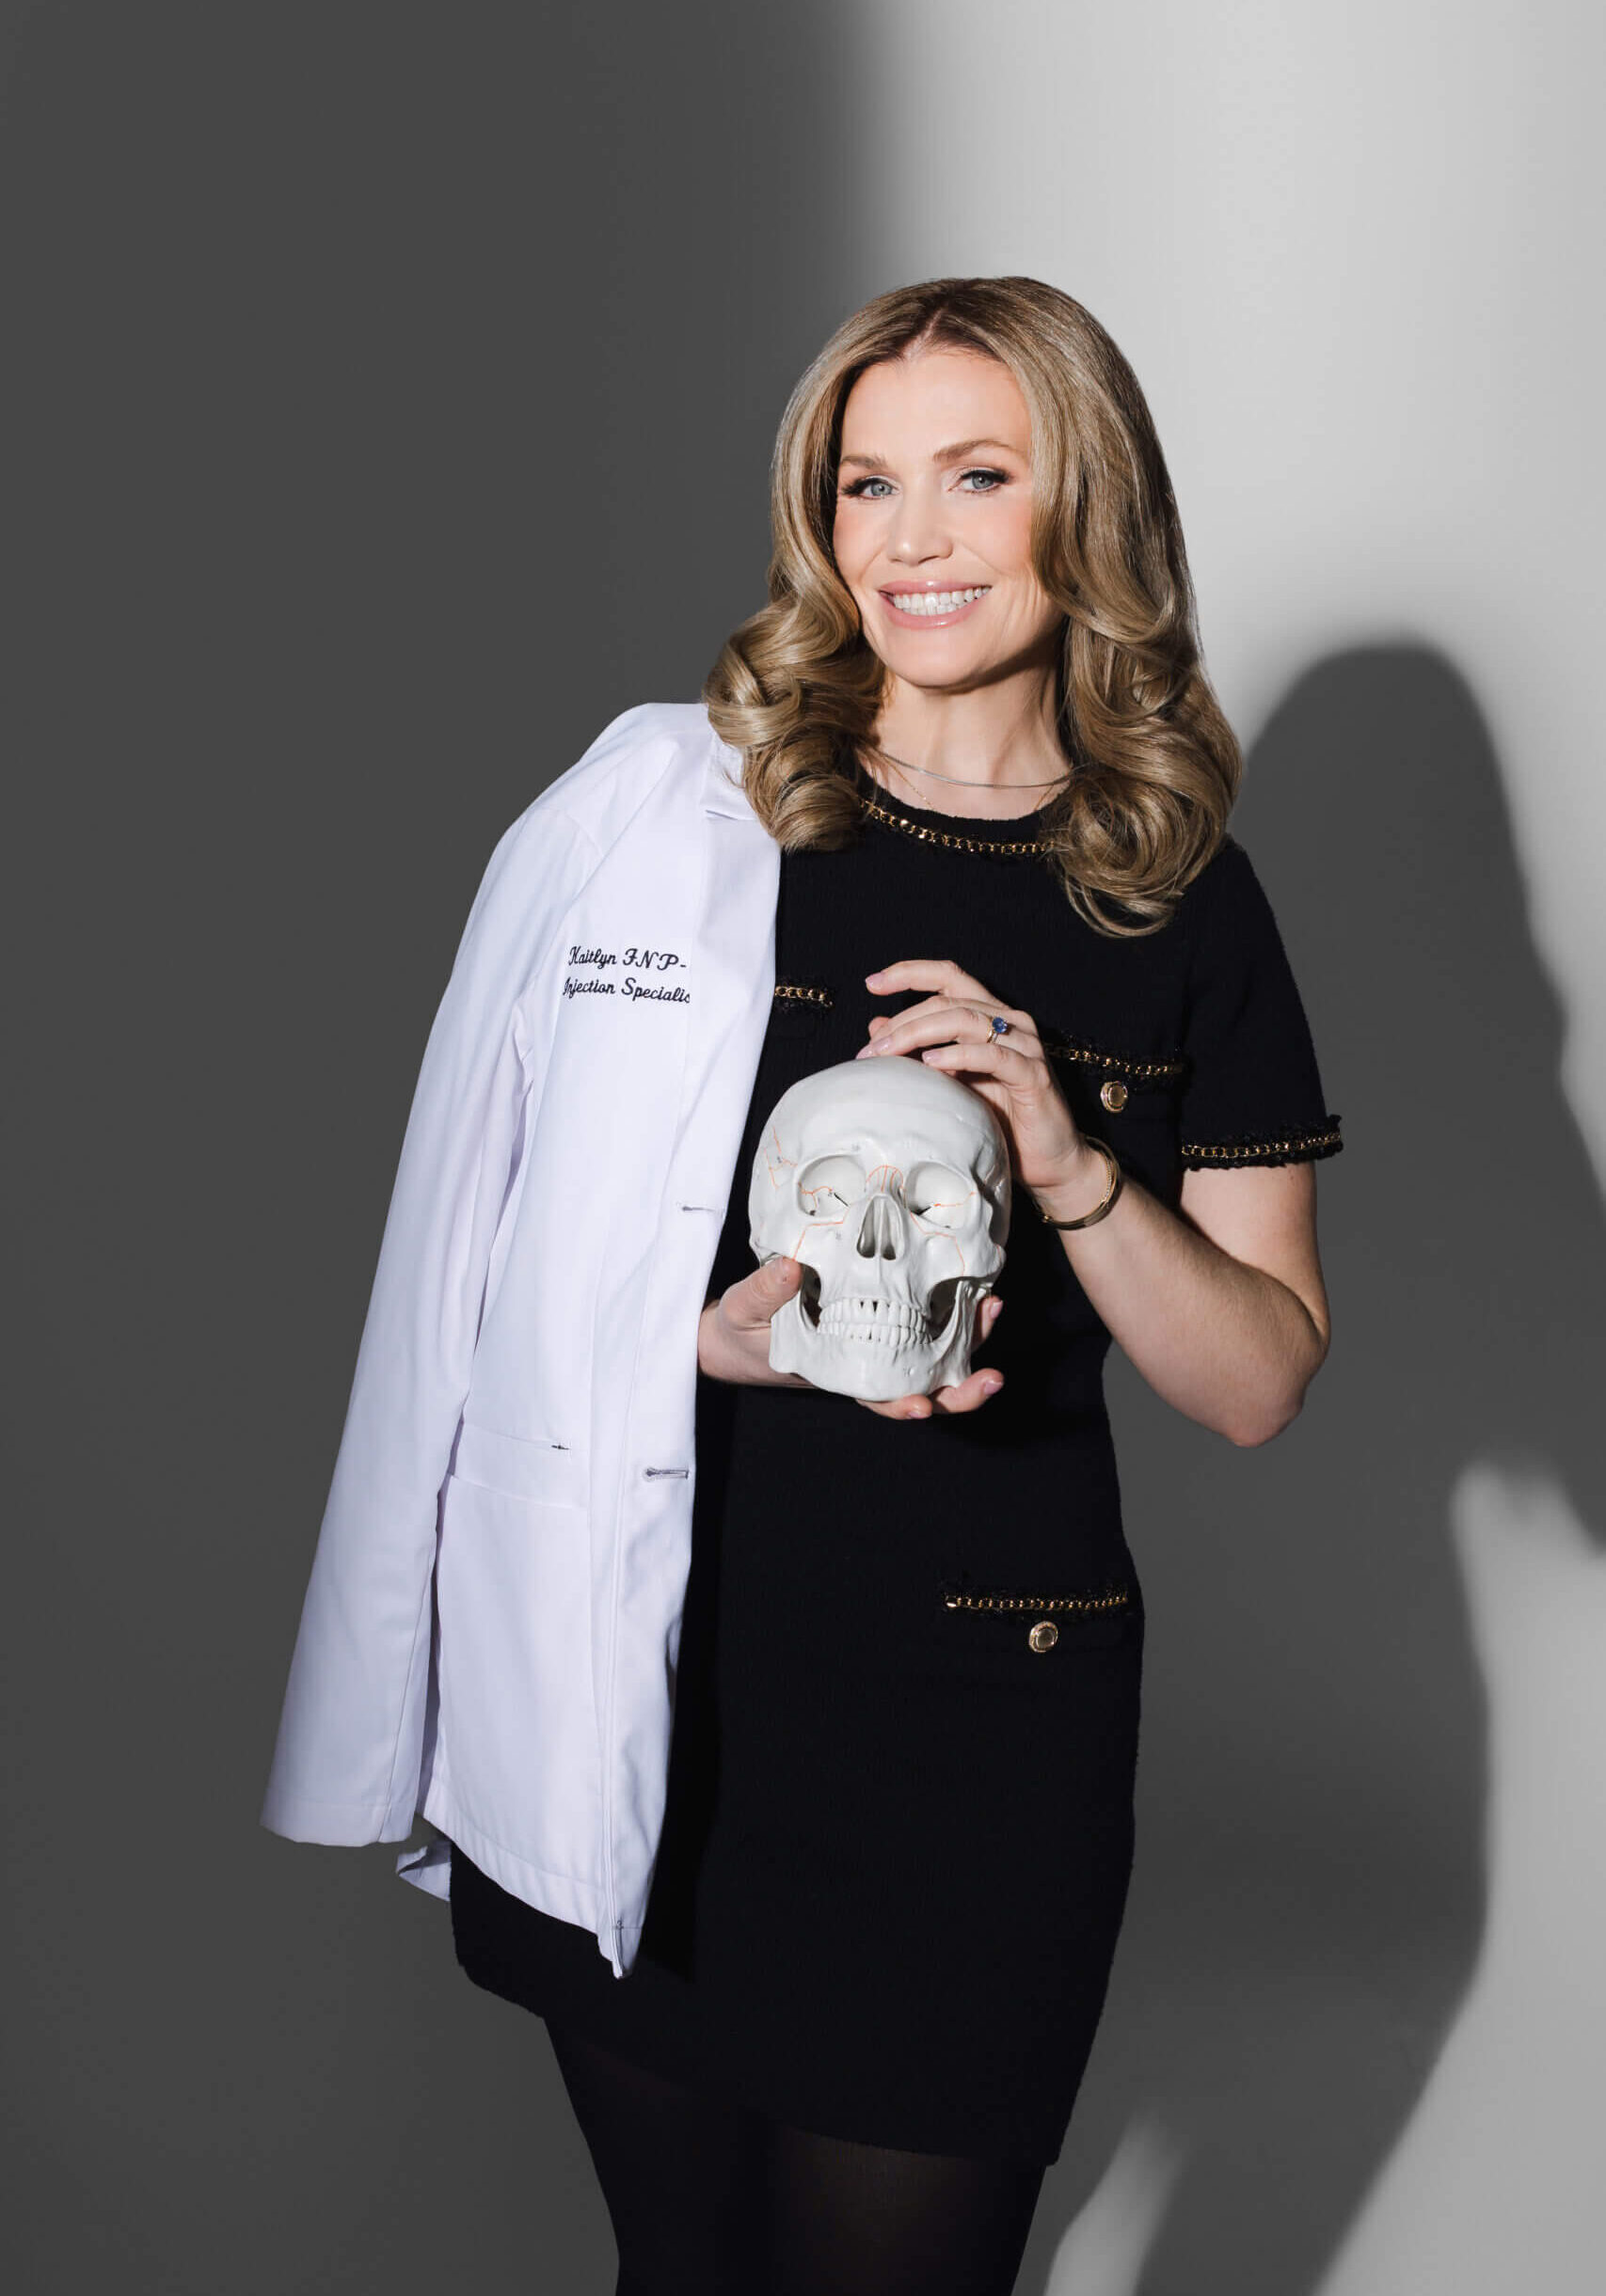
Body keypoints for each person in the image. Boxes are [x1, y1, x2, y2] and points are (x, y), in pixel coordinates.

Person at [270, 276, 1344, 2295]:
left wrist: (1064, 1160)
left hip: (979, 1738)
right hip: (662, 1690)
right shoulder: (671, 817)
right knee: (681, 2273)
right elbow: (473, 1259)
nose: (908, 538)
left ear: (1084, 505)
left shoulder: (1173, 889)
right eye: (863, 483)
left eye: (973, 475)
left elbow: (1256, 1378)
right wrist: (712, 1342)